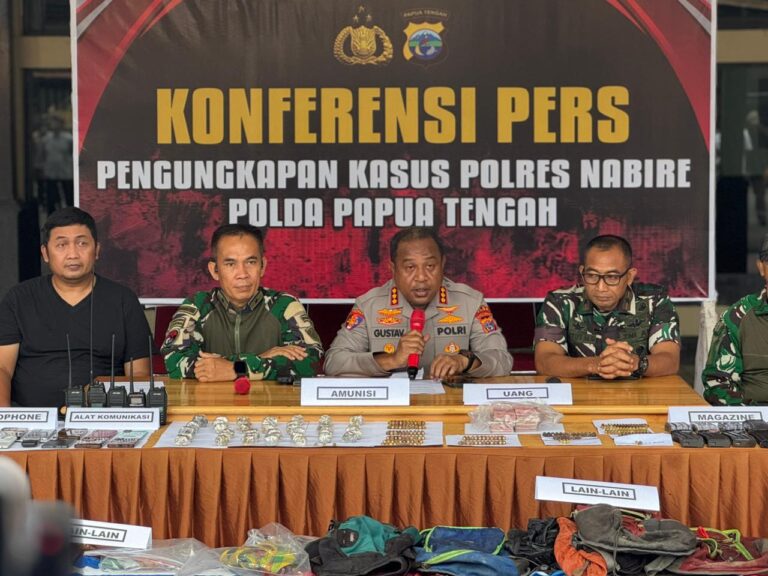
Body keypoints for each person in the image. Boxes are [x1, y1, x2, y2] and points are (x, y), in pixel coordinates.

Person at [0, 207, 152, 407]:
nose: (72, 254)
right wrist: (5, 419)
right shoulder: (18, 299)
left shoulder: (123, 300)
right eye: (61, 244)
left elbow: (139, 374)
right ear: (45, 253)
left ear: (96, 250)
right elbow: (2, 368)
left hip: (103, 417)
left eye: (82, 243)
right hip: (32, 418)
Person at [324, 227, 513, 378]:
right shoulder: (369, 305)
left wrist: (465, 361)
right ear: (393, 269)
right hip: (392, 407)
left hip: (449, 406)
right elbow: (334, 362)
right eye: (410, 267)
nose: (421, 277)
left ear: (442, 264)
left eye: (430, 266)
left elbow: (502, 360)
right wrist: (392, 359)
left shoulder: (469, 302)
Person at [162, 223, 323, 382]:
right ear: (214, 270)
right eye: (230, 264)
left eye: (251, 262)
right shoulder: (198, 305)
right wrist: (259, 360)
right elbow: (174, 361)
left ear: (262, 266)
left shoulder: (284, 305)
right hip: (211, 399)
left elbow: (311, 362)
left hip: (270, 400)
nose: (242, 274)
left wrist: (237, 368)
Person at [534, 234, 680, 379]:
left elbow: (670, 360)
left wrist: (634, 363)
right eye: (592, 275)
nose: (601, 288)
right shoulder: (560, 301)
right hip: (580, 392)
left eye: (612, 277)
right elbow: (544, 361)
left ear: (629, 277)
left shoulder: (655, 300)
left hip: (640, 392)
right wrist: (596, 365)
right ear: (582, 272)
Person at [703, 233, 768, 405]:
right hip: (756, 415)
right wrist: (755, 414)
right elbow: (717, 384)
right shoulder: (738, 317)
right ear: (761, 268)